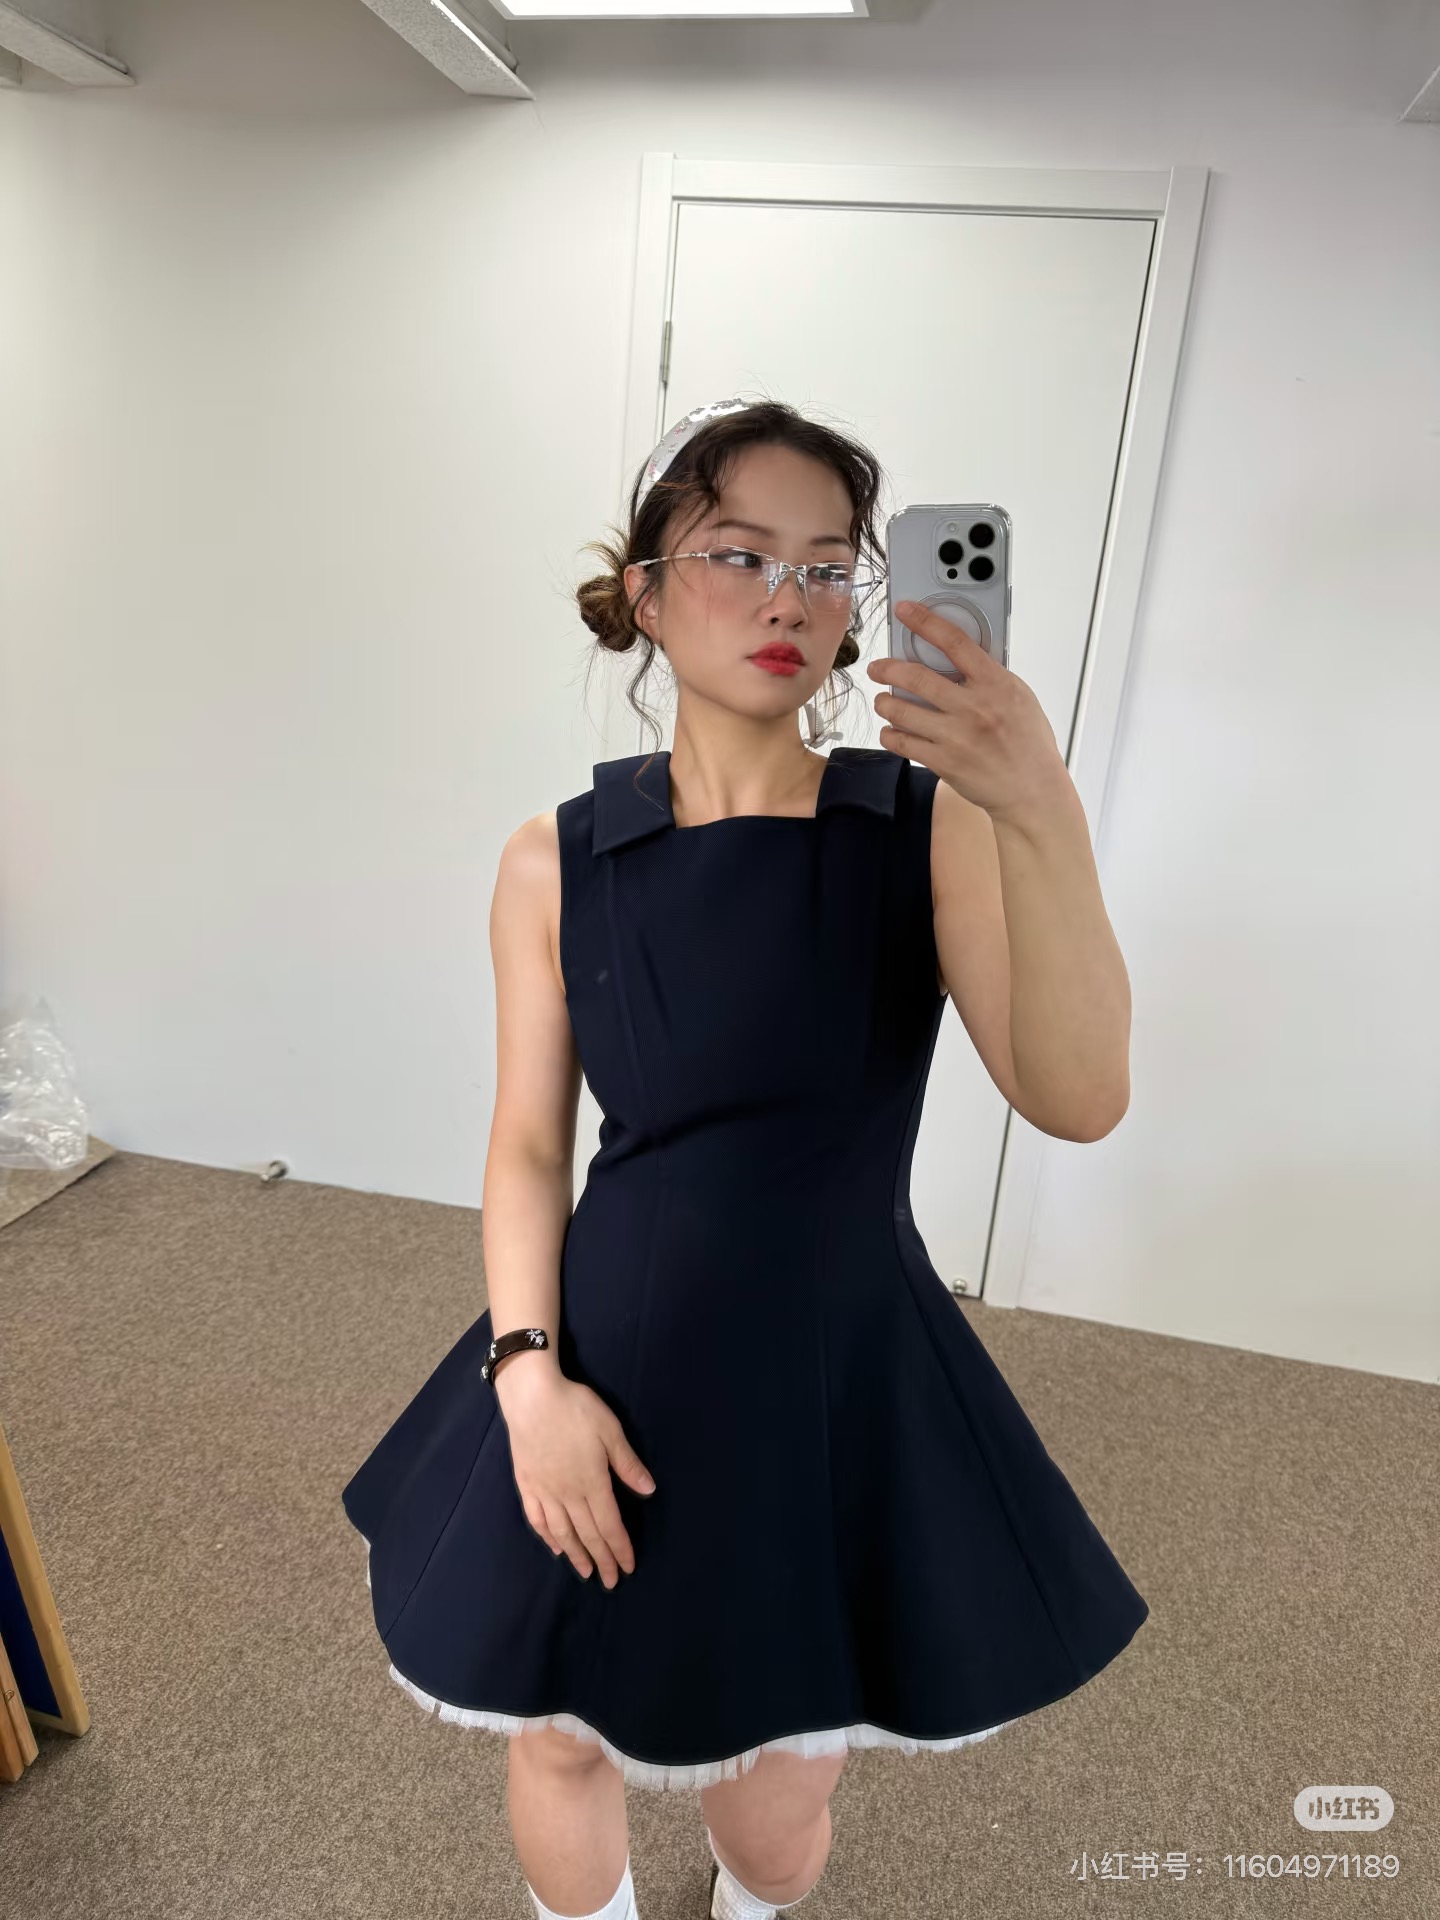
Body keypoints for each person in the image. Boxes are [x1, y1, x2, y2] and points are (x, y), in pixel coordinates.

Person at [341, 397, 1149, 1920]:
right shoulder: (555, 856)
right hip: (606, 1352)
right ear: (646, 591)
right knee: (559, 1728)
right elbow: (529, 1143)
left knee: (779, 1790)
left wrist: (1036, 803)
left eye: (830, 567)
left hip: (834, 1366)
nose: (790, 597)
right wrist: (526, 1379)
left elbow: (1080, 1096)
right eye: (740, 554)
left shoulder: (924, 828)